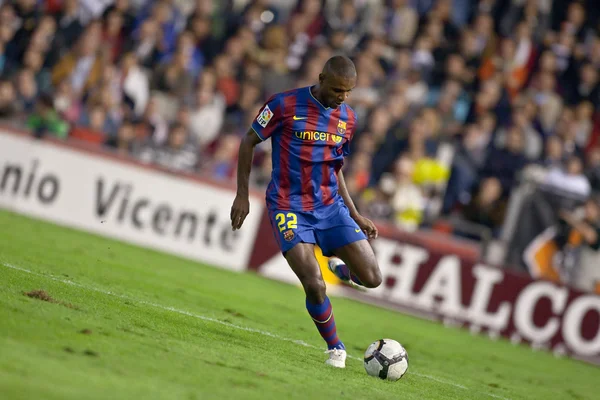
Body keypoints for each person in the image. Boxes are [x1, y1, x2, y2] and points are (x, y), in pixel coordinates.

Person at [230, 56, 382, 368]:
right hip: (288, 206)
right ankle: (335, 347)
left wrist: (354, 213)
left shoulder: (348, 119)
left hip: (330, 207)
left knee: (373, 278)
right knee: (314, 283)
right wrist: (242, 195)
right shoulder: (284, 104)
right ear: (321, 77)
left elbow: (335, 166)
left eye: (348, 92)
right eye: (338, 89)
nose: (342, 97)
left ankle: (344, 270)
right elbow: (248, 141)